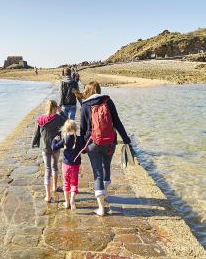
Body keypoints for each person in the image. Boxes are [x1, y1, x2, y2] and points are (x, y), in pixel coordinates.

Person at [79, 81, 133, 216]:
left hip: (93, 143)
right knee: (106, 166)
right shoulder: (108, 101)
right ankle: (105, 192)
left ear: (88, 91)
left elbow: (82, 129)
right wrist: (126, 139)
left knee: (97, 173)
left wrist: (81, 146)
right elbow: (117, 122)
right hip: (110, 141)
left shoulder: (85, 105)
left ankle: (101, 208)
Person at [31, 100, 66, 202]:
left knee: (47, 170)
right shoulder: (58, 118)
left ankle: (48, 196)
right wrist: (61, 112)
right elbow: (67, 122)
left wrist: (34, 143)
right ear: (55, 108)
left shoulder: (40, 118)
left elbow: (36, 133)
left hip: (45, 147)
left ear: (46, 107)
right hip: (55, 146)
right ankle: (55, 187)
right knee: (55, 167)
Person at [51, 120, 87, 210]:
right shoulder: (79, 139)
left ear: (65, 130)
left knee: (66, 183)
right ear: (76, 129)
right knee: (74, 183)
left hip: (66, 165)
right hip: (75, 165)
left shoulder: (65, 139)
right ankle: (72, 201)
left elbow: (54, 147)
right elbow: (85, 151)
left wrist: (54, 140)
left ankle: (67, 202)